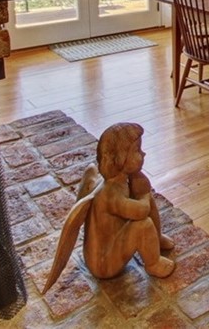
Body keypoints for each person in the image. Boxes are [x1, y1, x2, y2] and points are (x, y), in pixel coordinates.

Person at [42, 123, 174, 293]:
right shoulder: (111, 194)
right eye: (137, 150)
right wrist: (143, 194)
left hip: (106, 251)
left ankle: (155, 238)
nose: (143, 153)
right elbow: (141, 211)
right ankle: (153, 263)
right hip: (104, 265)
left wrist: (142, 190)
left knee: (146, 199)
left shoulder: (117, 181)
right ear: (119, 159)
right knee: (143, 223)